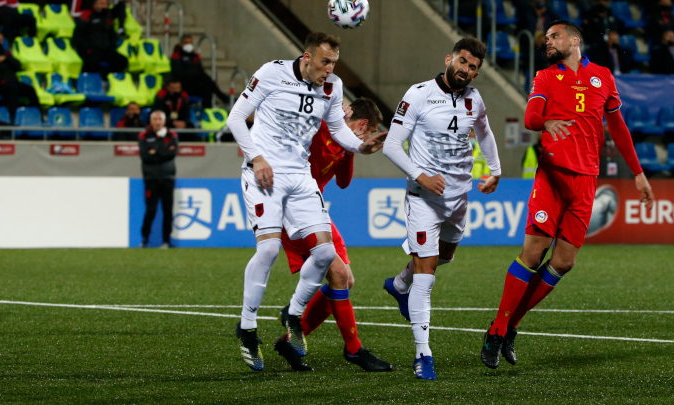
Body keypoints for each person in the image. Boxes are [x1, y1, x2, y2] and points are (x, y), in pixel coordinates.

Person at [480, 20, 654, 370]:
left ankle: (511, 326)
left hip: (586, 180)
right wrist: (545, 123)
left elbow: (618, 127)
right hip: (552, 176)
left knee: (563, 262)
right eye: (545, 38)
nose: (548, 42)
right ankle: (496, 331)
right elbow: (531, 116)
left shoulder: (603, 76)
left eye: (554, 36)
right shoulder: (545, 77)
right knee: (533, 252)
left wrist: (638, 172)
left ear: (574, 40)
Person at [225, 32, 386, 372]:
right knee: (268, 250)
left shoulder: (332, 87)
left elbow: (338, 130)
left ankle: (294, 316)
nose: (329, 69)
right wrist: (256, 158)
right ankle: (247, 326)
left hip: (300, 176)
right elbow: (236, 118)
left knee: (327, 253)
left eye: (334, 63)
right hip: (265, 172)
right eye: (325, 62)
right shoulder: (272, 72)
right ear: (307, 57)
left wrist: (361, 146)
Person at [381, 37, 502, 380]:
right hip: (423, 197)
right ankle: (423, 354)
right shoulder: (418, 94)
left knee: (445, 256)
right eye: (463, 62)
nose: (466, 70)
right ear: (449, 58)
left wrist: (494, 170)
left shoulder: (474, 100)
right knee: (427, 275)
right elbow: (392, 145)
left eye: (473, 67)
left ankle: (399, 284)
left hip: (459, 197)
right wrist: (421, 176)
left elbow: (485, 133)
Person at [273, 97, 392, 373]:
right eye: (369, 131)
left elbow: (343, 182)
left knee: (346, 280)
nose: (368, 137)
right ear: (363, 124)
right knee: (338, 275)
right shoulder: (321, 126)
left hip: (316, 208)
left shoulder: (345, 143)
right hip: (294, 208)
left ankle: (292, 336)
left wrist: (354, 150)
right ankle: (353, 349)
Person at [138, 111, 178, 249]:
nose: (157, 122)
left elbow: (172, 153)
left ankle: (166, 241)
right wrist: (164, 151)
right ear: (150, 121)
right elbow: (145, 156)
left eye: (159, 119)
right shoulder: (144, 135)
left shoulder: (172, 135)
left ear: (164, 121)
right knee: (151, 209)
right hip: (151, 179)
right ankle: (145, 239)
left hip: (167, 178)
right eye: (155, 119)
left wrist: (156, 151)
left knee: (168, 210)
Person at [73, 0, 128, 75]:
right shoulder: (87, 15)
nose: (104, 6)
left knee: (122, 61)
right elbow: (78, 35)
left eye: (105, 4)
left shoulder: (108, 18)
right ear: (94, 5)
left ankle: (105, 75)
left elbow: (112, 35)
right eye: (101, 3)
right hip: (90, 50)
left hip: (105, 50)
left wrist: (112, 47)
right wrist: (86, 47)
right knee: (91, 61)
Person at [170, 35, 229, 108]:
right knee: (204, 80)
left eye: (190, 42)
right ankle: (223, 97)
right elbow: (178, 73)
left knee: (207, 87)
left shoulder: (195, 56)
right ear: (181, 44)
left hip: (196, 84)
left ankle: (207, 110)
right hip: (184, 84)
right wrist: (194, 75)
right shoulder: (176, 56)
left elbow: (201, 71)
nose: (188, 45)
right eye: (186, 42)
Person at [0, 31, 38, 121]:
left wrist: (6, 58)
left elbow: (18, 65)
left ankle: (37, 117)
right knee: (13, 90)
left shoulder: (5, 52)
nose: (1, 37)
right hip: (1, 84)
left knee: (30, 90)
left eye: (1, 35)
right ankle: (12, 119)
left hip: (13, 82)